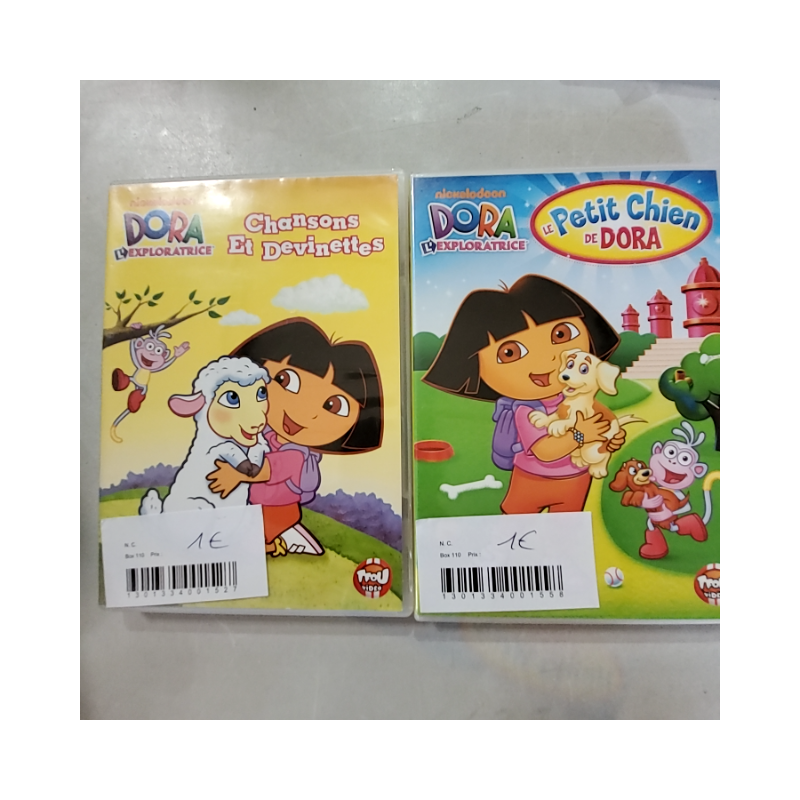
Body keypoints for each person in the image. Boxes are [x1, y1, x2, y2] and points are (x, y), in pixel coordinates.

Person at [423, 274, 625, 514]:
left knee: (566, 528)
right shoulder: (526, 409)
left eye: (561, 335)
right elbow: (545, 451)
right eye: (510, 353)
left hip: (576, 478)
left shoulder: (578, 395)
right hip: (532, 479)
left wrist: (610, 437)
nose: (547, 359)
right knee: (516, 524)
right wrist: (580, 435)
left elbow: (604, 420)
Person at [206, 318, 384, 555]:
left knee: (252, 539)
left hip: (278, 509)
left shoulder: (296, 455)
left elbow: (267, 469)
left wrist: (236, 475)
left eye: (332, 405)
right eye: (285, 380)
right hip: (254, 502)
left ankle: (279, 538)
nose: (306, 413)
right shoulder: (261, 430)